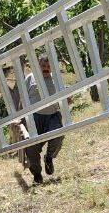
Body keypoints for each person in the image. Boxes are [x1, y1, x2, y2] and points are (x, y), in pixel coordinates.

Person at [10, 54, 67, 185]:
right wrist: (19, 116)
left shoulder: (56, 79)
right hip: (33, 118)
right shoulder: (30, 78)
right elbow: (22, 99)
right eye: (43, 66)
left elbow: (63, 95)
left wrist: (66, 100)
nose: (46, 68)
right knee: (31, 146)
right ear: (37, 66)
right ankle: (37, 174)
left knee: (58, 135)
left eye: (48, 66)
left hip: (52, 115)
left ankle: (49, 157)